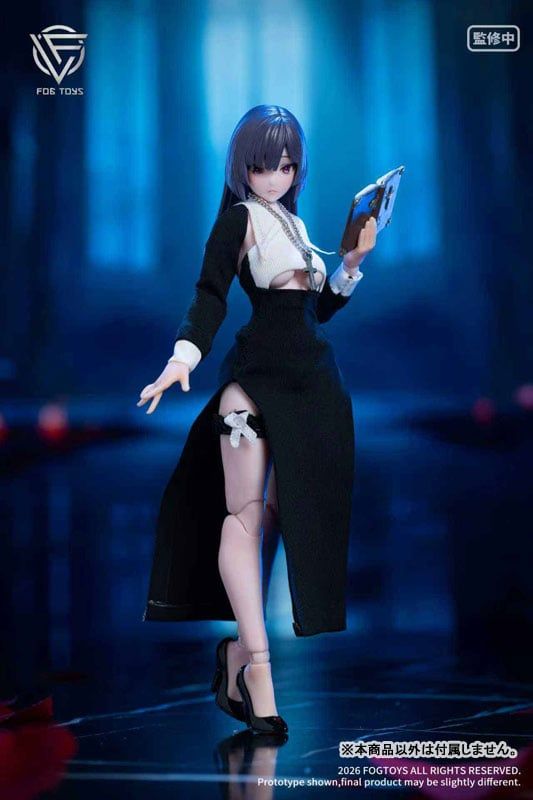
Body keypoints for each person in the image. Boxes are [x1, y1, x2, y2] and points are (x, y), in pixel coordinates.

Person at [138, 105, 377, 734]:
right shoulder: (240, 219)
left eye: (287, 165)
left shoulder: (295, 224)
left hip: (312, 383)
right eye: (264, 165)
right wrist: (182, 358)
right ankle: (260, 669)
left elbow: (314, 312)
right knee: (243, 515)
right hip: (255, 379)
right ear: (243, 167)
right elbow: (210, 293)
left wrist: (352, 262)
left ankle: (237, 656)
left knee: (285, 510)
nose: (275, 176)